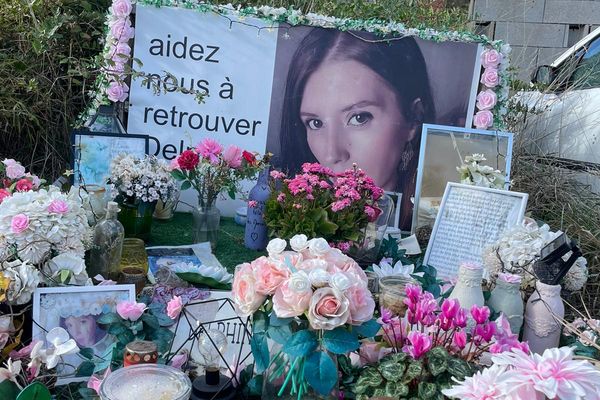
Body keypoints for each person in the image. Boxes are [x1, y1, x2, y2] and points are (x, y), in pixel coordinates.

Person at [278, 28, 435, 230]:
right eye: (315, 123)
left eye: (359, 118)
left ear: (414, 118)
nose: (332, 153)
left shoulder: (432, 225)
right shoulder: (302, 219)